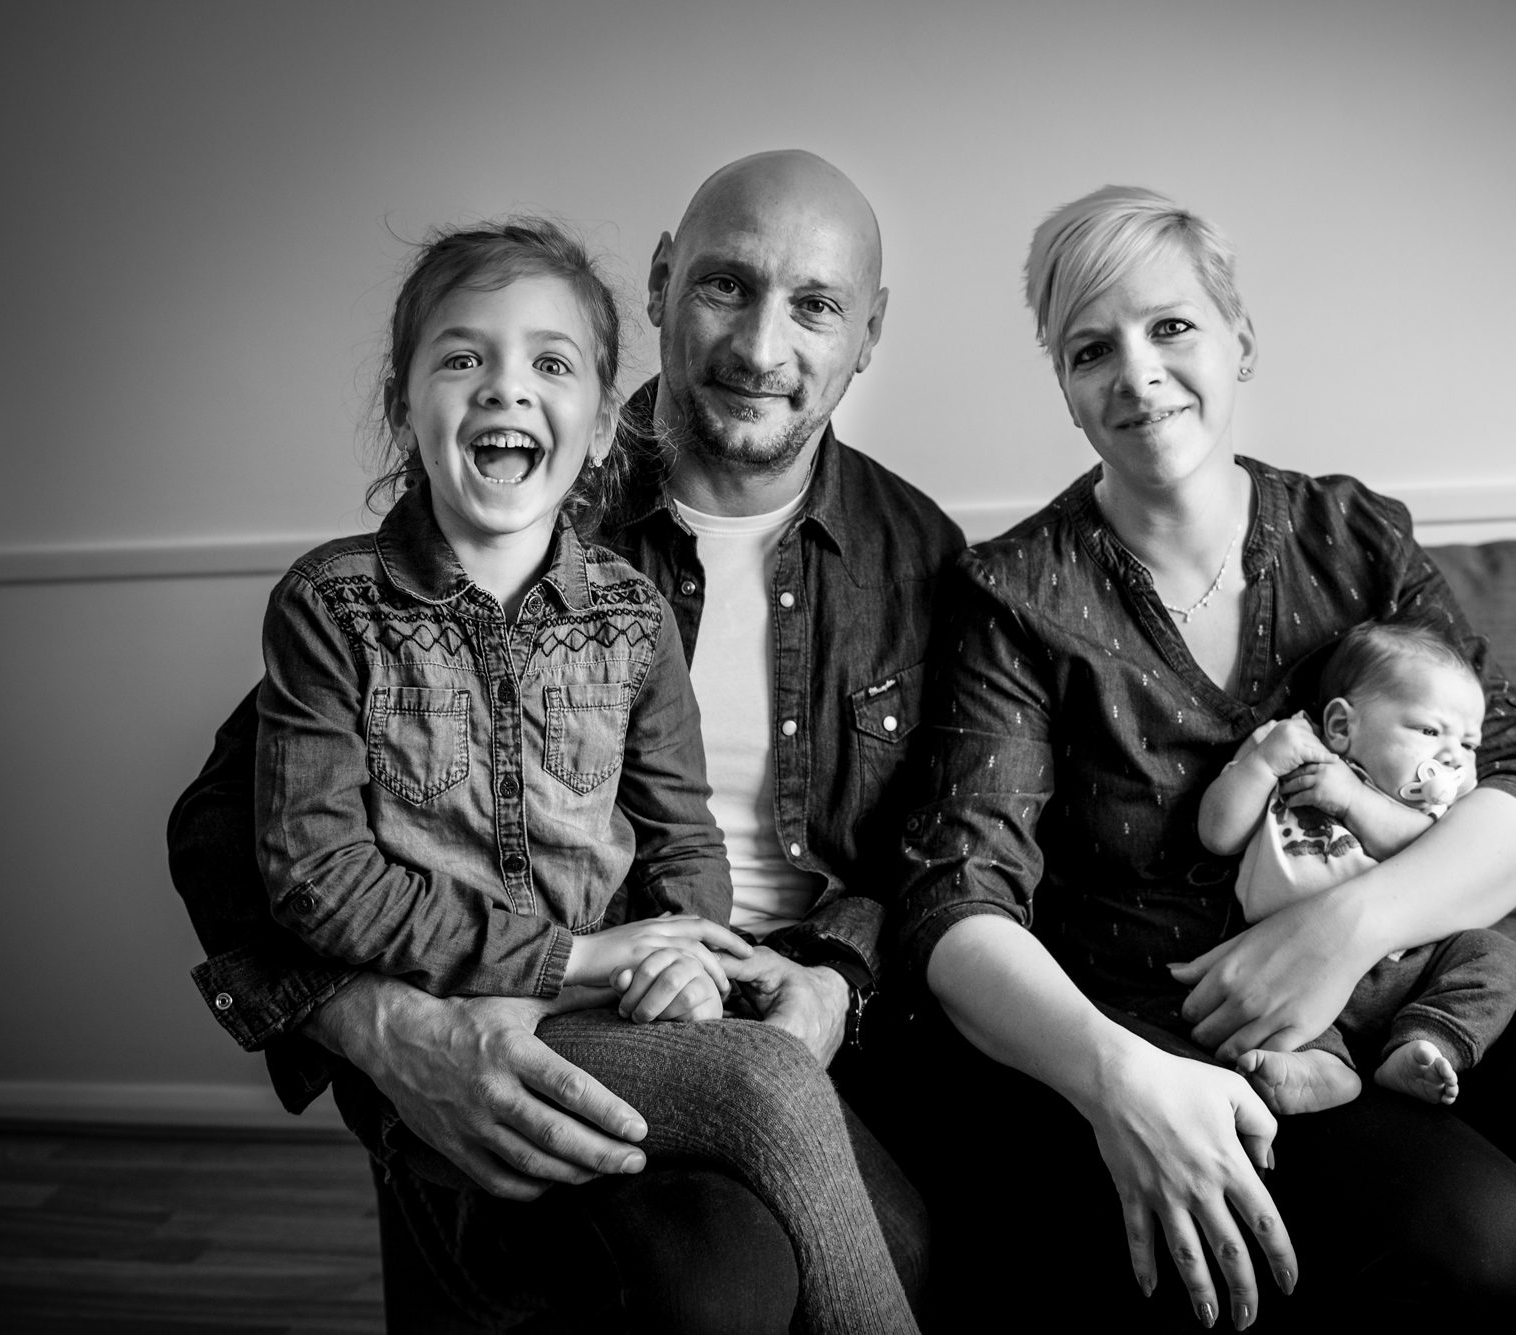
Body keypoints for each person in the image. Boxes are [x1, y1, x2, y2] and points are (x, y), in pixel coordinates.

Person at [889, 186, 1516, 1332]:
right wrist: (1111, 1082)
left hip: (1407, 966)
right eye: (1091, 348)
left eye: (1170, 326)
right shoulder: (1014, 595)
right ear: (1066, 387)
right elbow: (955, 901)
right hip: (1184, 1024)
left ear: (1240, 336)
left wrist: (1341, 932)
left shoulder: (1350, 535)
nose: (1135, 372)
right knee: (1477, 1237)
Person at [168, 152, 963, 1331]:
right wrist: (386, 1028)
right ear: (658, 285)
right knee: (717, 1281)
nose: (758, 347)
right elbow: (231, 834)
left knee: (921, 1255)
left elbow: (937, 850)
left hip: (745, 997)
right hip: (517, 995)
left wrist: (833, 979)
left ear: (869, 330)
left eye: (814, 304)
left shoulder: (916, 556)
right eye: (723, 287)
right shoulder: (505, 527)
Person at [1191, 619, 1516, 1114]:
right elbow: (1218, 835)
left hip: (1413, 963)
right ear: (1343, 727)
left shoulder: (1435, 809)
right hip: (1291, 966)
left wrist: (1351, 800)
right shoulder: (1287, 745)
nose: (1453, 755)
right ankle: (1323, 1069)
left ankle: (1425, 1043)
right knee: (1278, 1022)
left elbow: (1426, 859)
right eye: (1430, 730)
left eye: (1469, 744)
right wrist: (1263, 764)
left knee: (1495, 956)